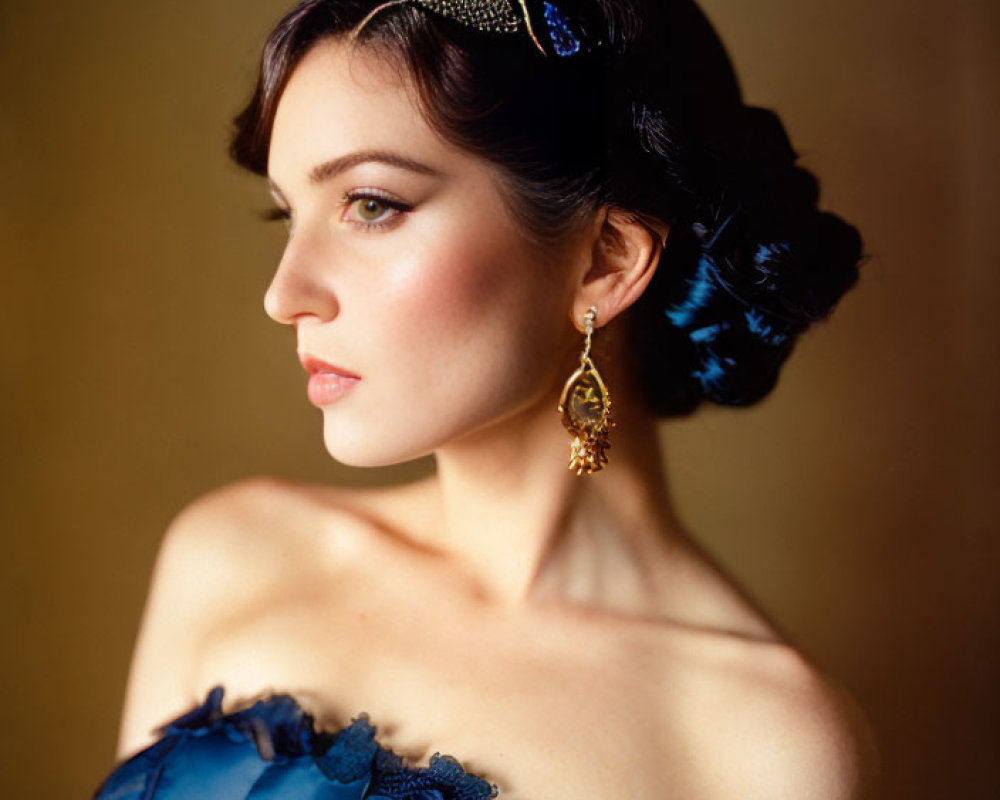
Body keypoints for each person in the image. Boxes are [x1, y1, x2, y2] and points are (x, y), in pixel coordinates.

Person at [95, 0, 877, 797]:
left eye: (371, 205)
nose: (284, 294)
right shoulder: (233, 556)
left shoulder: (765, 745)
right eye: (288, 215)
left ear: (606, 259)